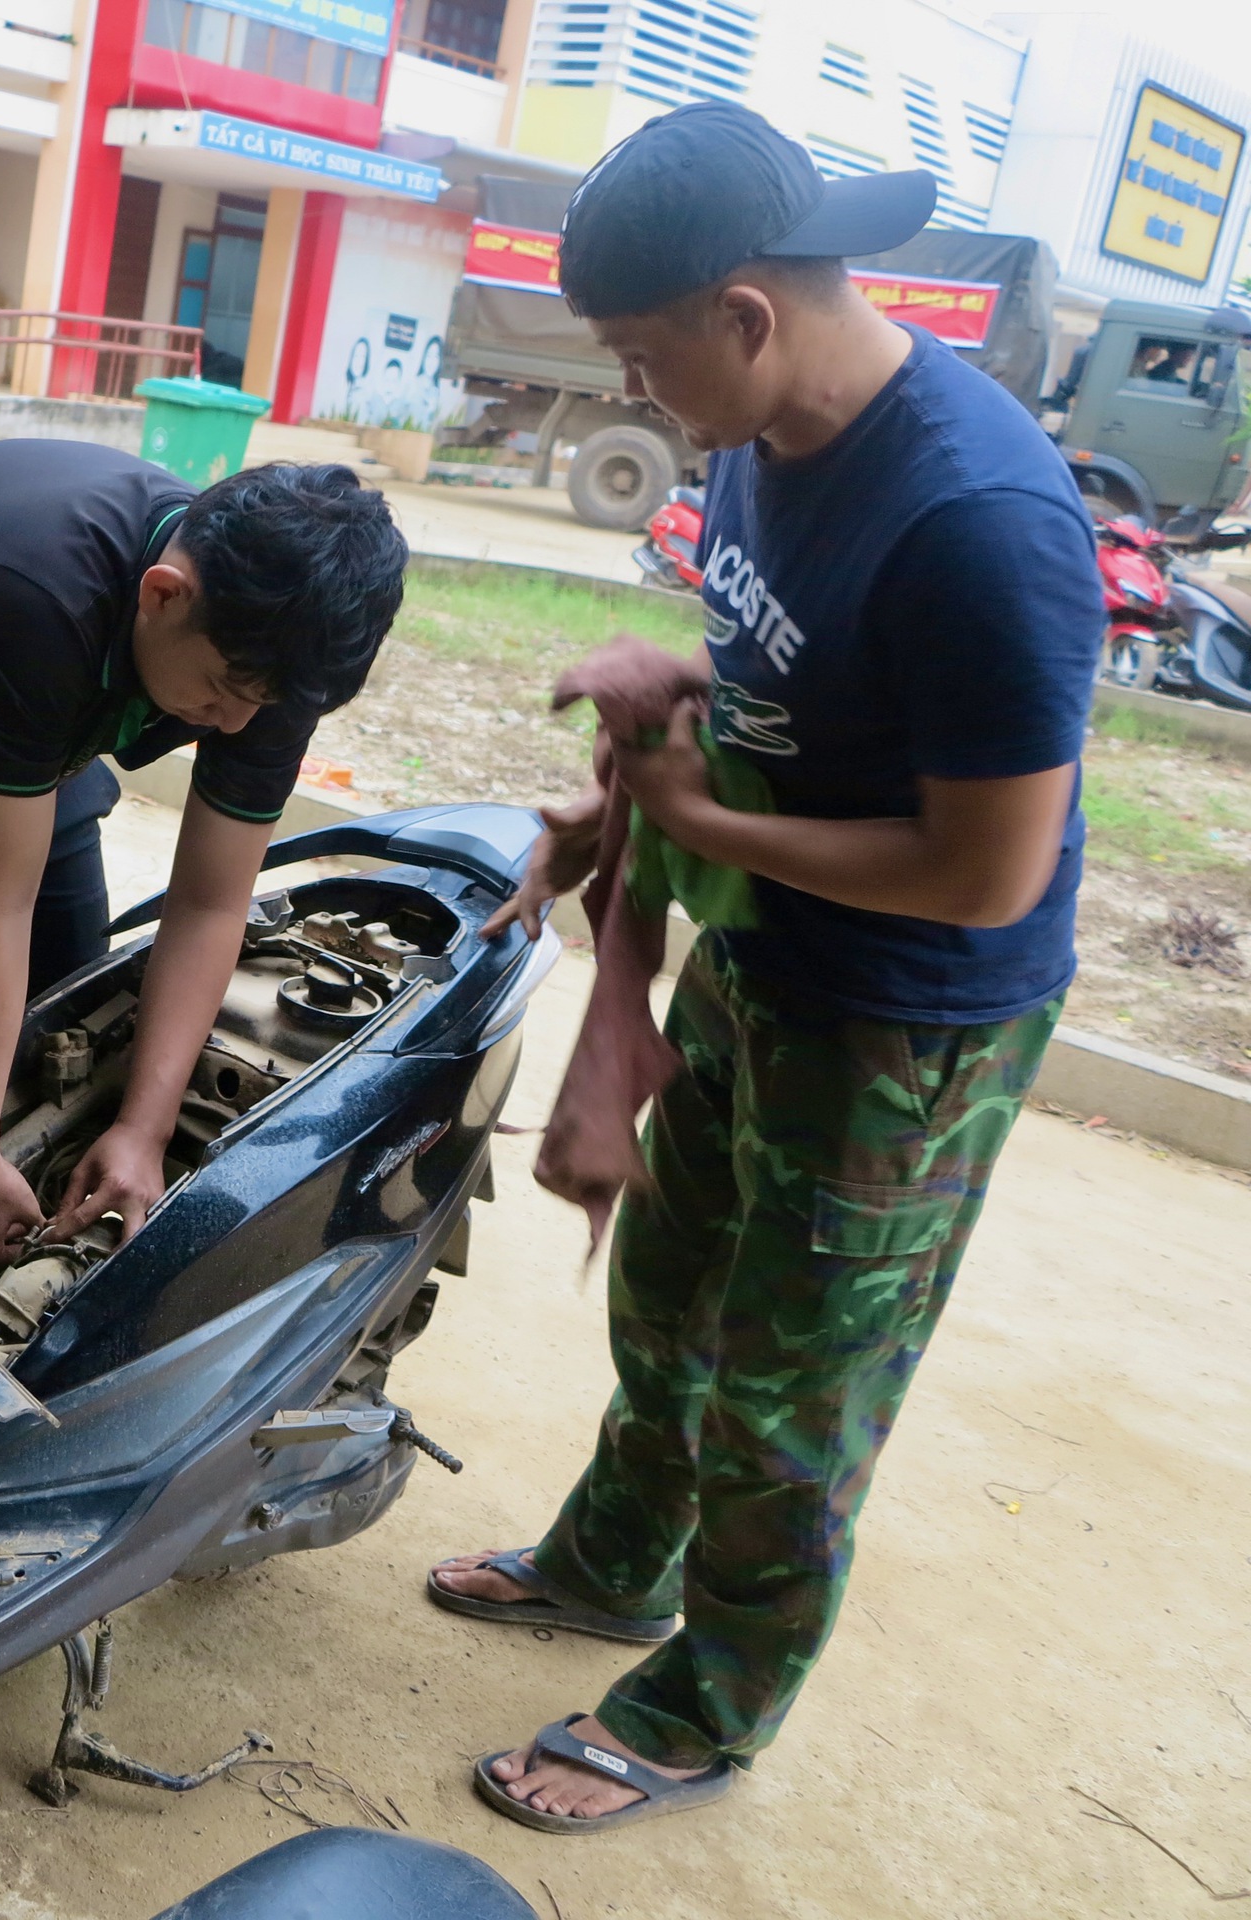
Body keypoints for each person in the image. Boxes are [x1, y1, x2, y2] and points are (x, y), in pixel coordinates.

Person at [429, 101, 1099, 1833]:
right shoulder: (756, 430)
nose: (632, 393)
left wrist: (704, 828)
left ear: (745, 313)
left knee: (794, 1389)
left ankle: (707, 1704)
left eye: (644, 359)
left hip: (906, 1030)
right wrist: (625, 804)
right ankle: (615, 1562)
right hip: (765, 957)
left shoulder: (977, 521)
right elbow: (782, 687)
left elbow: (988, 870)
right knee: (668, 1295)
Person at [0, 442, 408, 1372]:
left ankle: (14, 1354)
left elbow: (211, 901)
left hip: (40, 741)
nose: (234, 726)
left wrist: (143, 1128)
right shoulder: (34, 589)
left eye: (261, 706)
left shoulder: (273, 651)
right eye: (223, 694)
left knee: (71, 1048)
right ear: (162, 595)